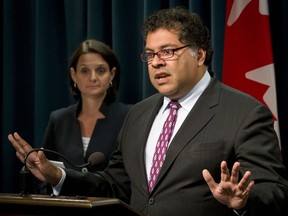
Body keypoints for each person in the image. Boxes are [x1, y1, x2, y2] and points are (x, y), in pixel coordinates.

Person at [8, 6, 288, 216]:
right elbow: (115, 185)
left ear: (199, 55)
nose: (156, 63)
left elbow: (273, 191)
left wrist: (242, 201)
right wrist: (59, 176)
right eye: (150, 54)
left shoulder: (245, 113)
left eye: (167, 52)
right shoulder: (139, 114)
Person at [34, 39, 132, 193]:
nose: (93, 78)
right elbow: (44, 175)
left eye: (100, 70)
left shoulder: (129, 116)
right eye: (85, 71)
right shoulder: (58, 119)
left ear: (112, 74)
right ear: (74, 75)